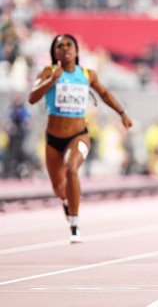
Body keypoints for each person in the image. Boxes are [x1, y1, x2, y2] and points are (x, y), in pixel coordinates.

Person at [28, 34, 133, 243]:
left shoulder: (87, 74)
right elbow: (32, 98)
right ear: (54, 52)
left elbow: (104, 94)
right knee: (59, 187)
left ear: (76, 51)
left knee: (72, 168)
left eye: (69, 45)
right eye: (60, 46)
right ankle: (66, 201)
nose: (65, 49)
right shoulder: (48, 72)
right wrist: (52, 80)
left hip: (79, 135)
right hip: (53, 139)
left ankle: (75, 225)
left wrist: (122, 112)